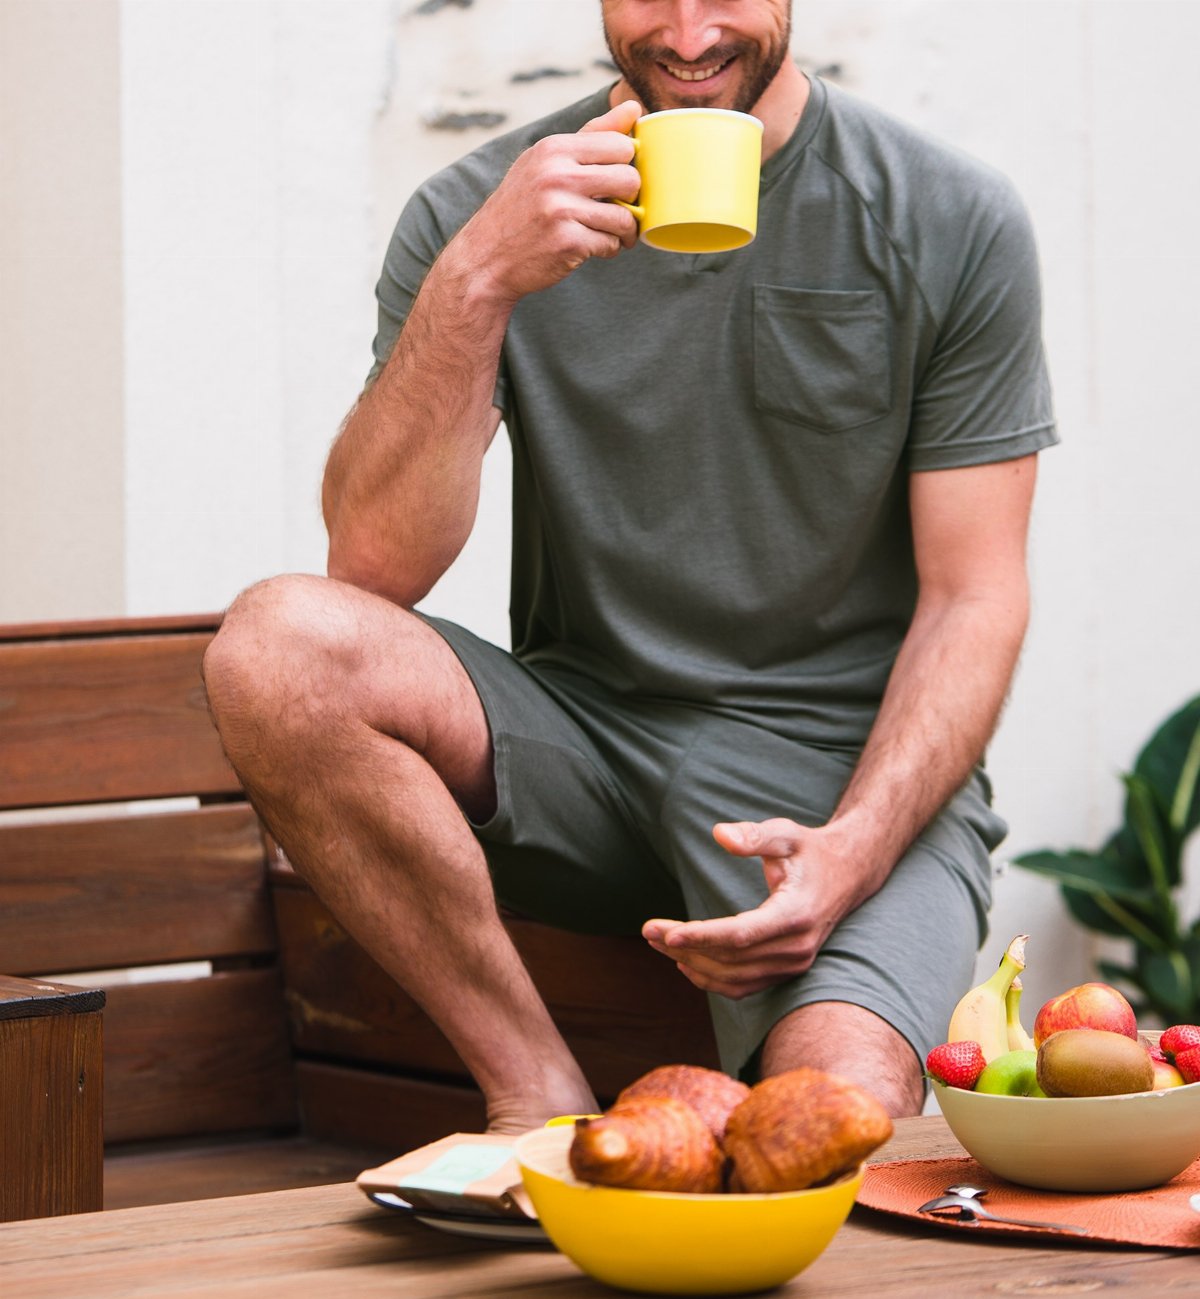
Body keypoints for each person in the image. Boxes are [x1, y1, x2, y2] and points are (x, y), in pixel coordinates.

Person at [202, 0, 1057, 1128]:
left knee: (832, 1113)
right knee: (279, 645)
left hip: (838, 781)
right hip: (585, 754)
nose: (690, 32)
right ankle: (533, 1094)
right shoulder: (478, 213)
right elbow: (371, 567)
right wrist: (478, 283)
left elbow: (974, 598)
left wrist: (853, 851)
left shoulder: (950, 214)